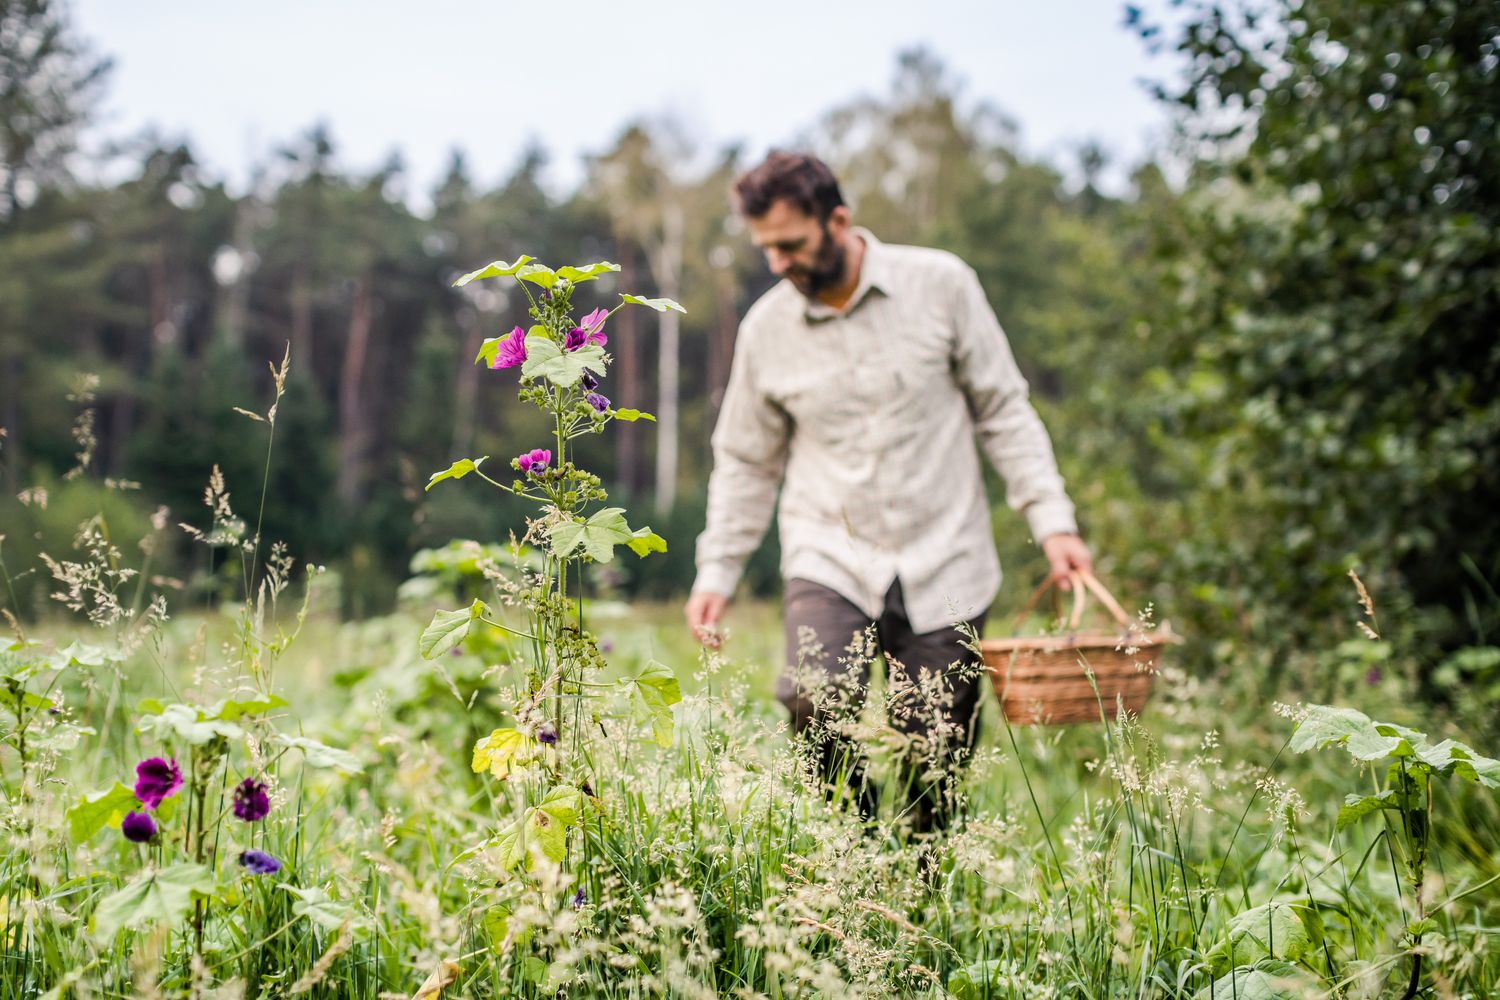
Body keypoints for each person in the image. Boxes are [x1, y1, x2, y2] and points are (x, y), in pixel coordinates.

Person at [684, 151, 1092, 833]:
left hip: (948, 552)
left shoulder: (942, 285)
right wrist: (717, 569)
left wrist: (1052, 520)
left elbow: (1003, 409)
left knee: (936, 742)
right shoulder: (766, 330)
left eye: (792, 244)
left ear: (837, 220)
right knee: (812, 702)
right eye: (766, 249)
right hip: (829, 551)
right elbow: (746, 461)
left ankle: (923, 889)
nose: (778, 263)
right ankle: (856, 854)